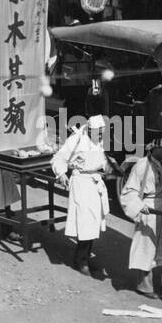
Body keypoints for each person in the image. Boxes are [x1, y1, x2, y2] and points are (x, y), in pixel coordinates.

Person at [51, 114, 111, 278]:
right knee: (85, 222)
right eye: (98, 133)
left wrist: (108, 166)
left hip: (94, 182)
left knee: (94, 222)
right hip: (81, 182)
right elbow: (58, 158)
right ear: (90, 130)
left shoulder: (98, 140)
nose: (100, 136)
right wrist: (62, 174)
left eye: (102, 133)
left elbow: (101, 159)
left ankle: (86, 254)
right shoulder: (76, 140)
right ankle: (80, 259)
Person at [120, 136, 162, 296]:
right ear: (154, 149)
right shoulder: (141, 166)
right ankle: (144, 286)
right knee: (146, 249)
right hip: (148, 211)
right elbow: (129, 191)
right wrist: (140, 207)